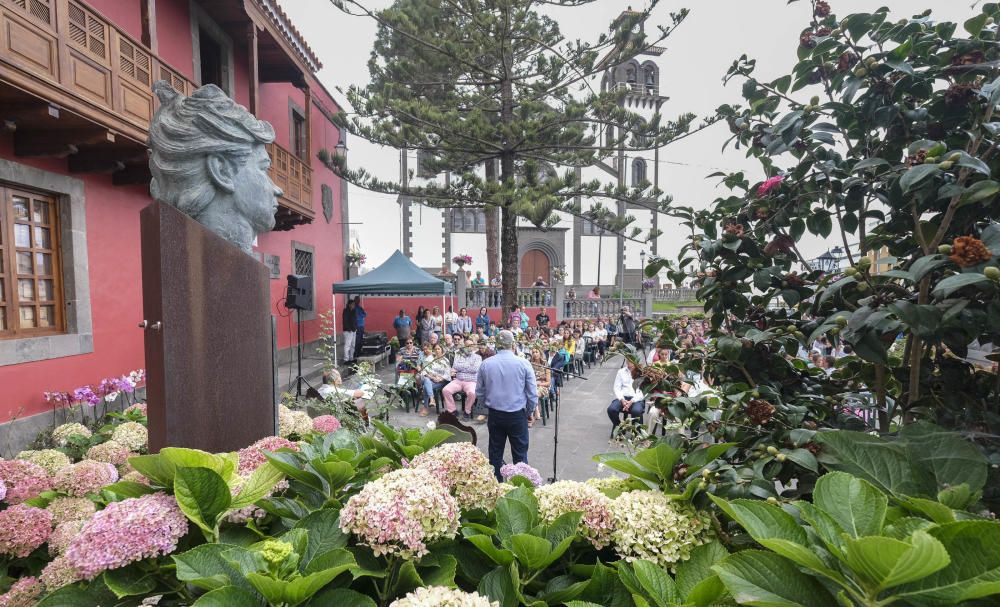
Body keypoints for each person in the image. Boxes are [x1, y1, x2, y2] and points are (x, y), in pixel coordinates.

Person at [476, 330, 538, 480]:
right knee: (520, 453)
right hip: (517, 414)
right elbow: (532, 393)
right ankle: (521, 486)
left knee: (495, 452)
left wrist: (488, 406)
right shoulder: (523, 363)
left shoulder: (486, 364)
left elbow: (479, 392)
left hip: (496, 414)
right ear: (513, 344)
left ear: (497, 345)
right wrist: (529, 411)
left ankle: (496, 484)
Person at [443, 338, 482, 420]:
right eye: (467, 345)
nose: (469, 347)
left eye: (471, 345)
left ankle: (467, 411)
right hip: (458, 380)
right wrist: (468, 366)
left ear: (473, 347)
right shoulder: (458, 355)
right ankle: (452, 410)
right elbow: (455, 367)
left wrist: (462, 367)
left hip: (471, 382)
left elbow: (475, 369)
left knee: (472, 393)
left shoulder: (478, 357)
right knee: (446, 390)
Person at [608, 357, 645, 435]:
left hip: (636, 399)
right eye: (628, 360)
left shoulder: (642, 373)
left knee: (636, 411)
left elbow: (643, 391)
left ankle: (636, 432)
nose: (629, 363)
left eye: (631, 361)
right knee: (611, 409)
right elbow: (617, 387)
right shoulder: (621, 372)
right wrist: (622, 400)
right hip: (623, 397)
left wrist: (632, 401)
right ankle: (620, 427)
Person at [419, 344, 451, 417]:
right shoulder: (430, 359)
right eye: (435, 349)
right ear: (433, 350)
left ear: (442, 350)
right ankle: (432, 399)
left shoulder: (445, 360)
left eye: (438, 349)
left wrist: (440, 379)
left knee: (425, 387)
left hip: (441, 381)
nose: (437, 351)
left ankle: (426, 408)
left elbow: (447, 374)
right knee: (427, 380)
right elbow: (424, 371)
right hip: (431, 379)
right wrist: (432, 377)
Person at [528, 348, 550, 428]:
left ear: (540, 353)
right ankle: (536, 410)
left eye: (536, 352)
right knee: (529, 392)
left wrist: (539, 383)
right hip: (533, 386)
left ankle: (531, 417)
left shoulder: (545, 364)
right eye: (533, 352)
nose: (535, 354)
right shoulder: (530, 364)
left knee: (534, 392)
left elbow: (548, 382)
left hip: (543, 386)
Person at [341, 299, 357, 364]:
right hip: (348, 331)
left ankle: (351, 358)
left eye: (354, 304)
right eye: (353, 304)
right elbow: (345, 321)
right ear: (349, 305)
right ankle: (346, 359)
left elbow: (355, 320)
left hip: (354, 330)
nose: (354, 306)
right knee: (347, 345)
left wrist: (355, 328)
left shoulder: (354, 311)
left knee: (353, 345)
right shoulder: (346, 311)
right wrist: (349, 329)